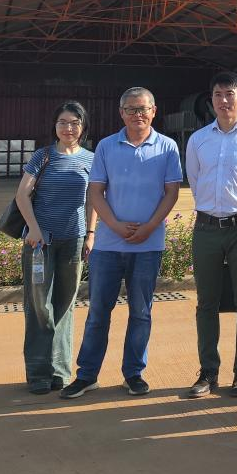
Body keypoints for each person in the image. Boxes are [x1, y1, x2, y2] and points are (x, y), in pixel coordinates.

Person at [60, 87, 182, 400]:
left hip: (148, 245)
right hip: (108, 247)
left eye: (143, 109)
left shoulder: (167, 147)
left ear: (154, 111)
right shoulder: (106, 146)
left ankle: (133, 374)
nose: (137, 115)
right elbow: (96, 191)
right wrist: (113, 225)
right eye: (131, 109)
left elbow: (171, 192)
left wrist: (149, 227)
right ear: (121, 113)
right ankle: (87, 375)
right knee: (98, 312)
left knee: (141, 312)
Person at [184, 72, 237, 399]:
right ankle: (208, 372)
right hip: (206, 229)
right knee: (206, 302)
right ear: (211, 100)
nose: (223, 100)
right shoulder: (198, 140)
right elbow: (194, 180)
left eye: (230, 94)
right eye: (217, 94)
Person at [15, 101, 97, 395]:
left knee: (65, 305)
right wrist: (34, 229)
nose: (68, 128)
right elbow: (22, 195)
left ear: (83, 127)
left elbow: (92, 199)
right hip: (40, 243)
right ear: (55, 125)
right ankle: (39, 372)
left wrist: (90, 234)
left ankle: (60, 371)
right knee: (39, 306)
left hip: (73, 241)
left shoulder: (91, 159)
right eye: (63, 122)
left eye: (74, 122)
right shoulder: (43, 156)